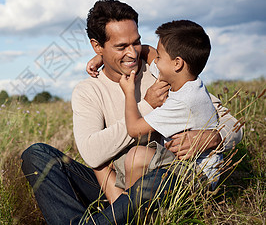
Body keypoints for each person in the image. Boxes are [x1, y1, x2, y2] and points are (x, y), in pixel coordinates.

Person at [21, 0, 243, 224]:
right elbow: (92, 153)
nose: (132, 54)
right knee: (37, 155)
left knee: (160, 179)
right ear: (97, 46)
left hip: (160, 181)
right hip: (113, 186)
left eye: (136, 43)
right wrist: (146, 105)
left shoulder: (162, 71)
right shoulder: (87, 91)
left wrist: (213, 137)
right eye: (121, 47)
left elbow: (231, 123)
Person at [91, 20, 223, 203]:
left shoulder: (181, 102)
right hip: (188, 166)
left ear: (177, 63)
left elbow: (134, 129)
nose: (155, 60)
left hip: (195, 178)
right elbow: (148, 51)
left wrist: (129, 93)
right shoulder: (186, 81)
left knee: (136, 156)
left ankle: (130, 212)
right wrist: (103, 57)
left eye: (160, 57)